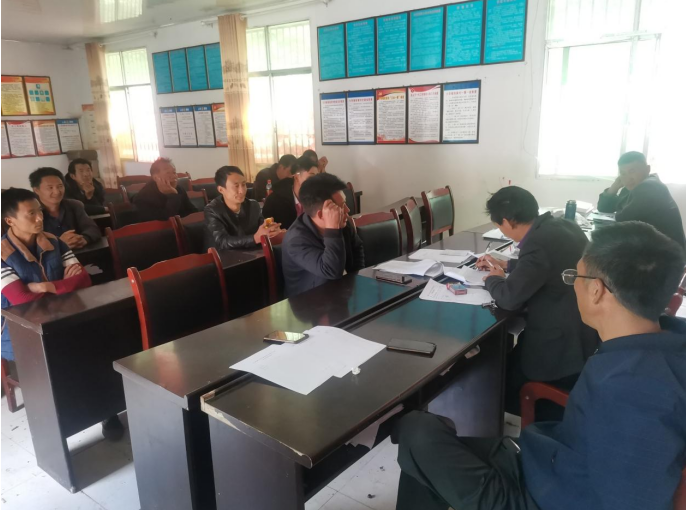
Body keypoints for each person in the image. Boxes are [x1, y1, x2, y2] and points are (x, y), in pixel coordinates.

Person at [393, 221, 686, 510]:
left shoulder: (636, 395)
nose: (574, 286)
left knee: (416, 431)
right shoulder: (659, 345)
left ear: (596, 290)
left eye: (575, 277)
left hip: (541, 497)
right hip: (548, 464)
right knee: (422, 440)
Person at [475, 186, 599, 415]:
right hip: (584, 333)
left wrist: (493, 279)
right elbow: (552, 264)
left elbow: (509, 299)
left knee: (491, 384)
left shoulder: (537, 244)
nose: (503, 232)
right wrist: (508, 265)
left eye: (500, 227)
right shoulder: (564, 225)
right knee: (504, 364)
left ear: (507, 221)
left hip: (557, 348)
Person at [281, 173, 364, 297]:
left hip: (341, 292)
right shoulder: (296, 240)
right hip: (310, 302)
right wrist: (332, 230)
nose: (347, 210)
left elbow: (357, 248)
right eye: (341, 206)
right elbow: (331, 271)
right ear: (321, 214)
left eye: (345, 203)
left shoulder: (343, 223)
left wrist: (356, 279)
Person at [598, 151, 685, 246]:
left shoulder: (650, 186)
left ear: (647, 169)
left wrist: (618, 214)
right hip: (650, 245)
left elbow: (624, 219)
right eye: (623, 173)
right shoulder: (631, 188)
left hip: (666, 251)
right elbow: (604, 208)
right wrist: (614, 188)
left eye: (632, 171)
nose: (627, 178)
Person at [204, 166, 284, 251]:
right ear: (221, 189)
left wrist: (271, 231)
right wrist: (254, 238)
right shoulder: (212, 210)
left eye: (243, 184)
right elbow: (222, 241)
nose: (242, 191)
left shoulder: (253, 205)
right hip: (225, 256)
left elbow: (262, 229)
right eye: (236, 186)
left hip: (252, 254)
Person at [29, 167, 102, 249]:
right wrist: (59, 243)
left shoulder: (74, 205)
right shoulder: (30, 213)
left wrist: (83, 239)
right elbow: (30, 243)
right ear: (36, 190)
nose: (57, 192)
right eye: (50, 187)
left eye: (60, 186)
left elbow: (92, 228)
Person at [262, 156, 321, 230]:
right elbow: (268, 231)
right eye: (311, 178)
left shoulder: (317, 199)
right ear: (296, 177)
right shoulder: (275, 200)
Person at [133, 157, 197, 221]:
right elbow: (164, 221)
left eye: (174, 172)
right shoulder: (143, 197)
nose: (174, 176)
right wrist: (173, 195)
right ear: (156, 178)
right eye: (168, 173)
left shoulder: (179, 189)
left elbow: (193, 212)